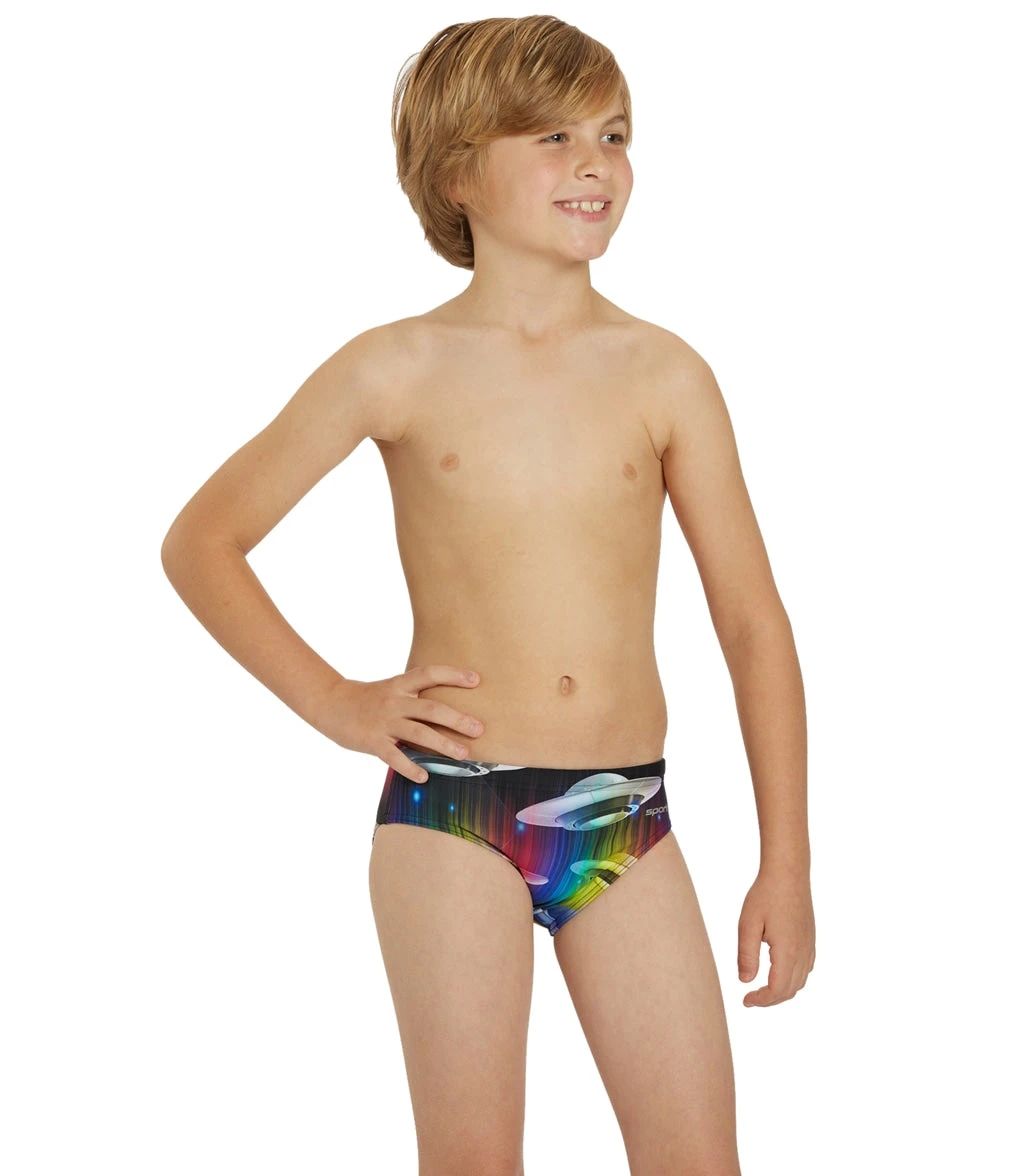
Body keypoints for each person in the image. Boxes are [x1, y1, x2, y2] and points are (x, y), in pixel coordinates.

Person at [161, 15, 814, 1176]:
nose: (595, 161)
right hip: (451, 812)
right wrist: (339, 702)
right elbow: (203, 542)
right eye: (553, 136)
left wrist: (788, 861)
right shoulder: (396, 365)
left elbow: (752, 624)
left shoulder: (666, 375)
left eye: (614, 134)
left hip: (624, 815)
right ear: (458, 173)